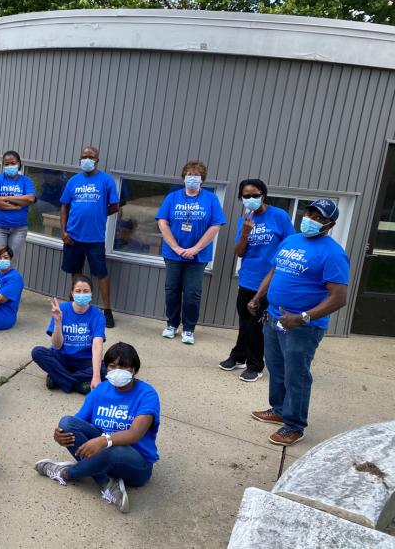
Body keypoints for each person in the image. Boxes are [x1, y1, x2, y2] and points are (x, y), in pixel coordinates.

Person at [248, 199, 349, 447]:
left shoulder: (333, 254)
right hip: (273, 317)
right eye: (309, 213)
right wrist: (258, 297)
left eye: (318, 217)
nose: (310, 219)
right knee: (276, 368)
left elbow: (339, 298)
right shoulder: (291, 240)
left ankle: (294, 426)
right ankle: (279, 410)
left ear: (329, 224)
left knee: (297, 376)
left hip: (303, 327)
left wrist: (302, 317)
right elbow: (274, 271)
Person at [34, 342, 160, 513]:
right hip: (103, 454)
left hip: (136, 465)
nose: (117, 371)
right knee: (66, 423)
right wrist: (60, 435)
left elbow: (135, 434)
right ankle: (105, 482)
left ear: (134, 370)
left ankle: (66, 473)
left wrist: (103, 440)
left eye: (123, 367)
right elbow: (76, 423)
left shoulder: (147, 394)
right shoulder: (100, 390)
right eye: (112, 366)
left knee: (113, 450)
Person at [219, 180, 295, 382]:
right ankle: (239, 356)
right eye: (246, 196)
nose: (251, 199)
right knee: (245, 322)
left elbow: (291, 244)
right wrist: (245, 232)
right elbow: (239, 252)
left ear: (263, 194)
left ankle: (255, 365)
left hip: (270, 280)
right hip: (248, 278)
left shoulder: (279, 216)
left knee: (256, 325)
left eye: (255, 194)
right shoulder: (244, 219)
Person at [156, 160, 226, 344]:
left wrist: (195, 249)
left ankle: (189, 328)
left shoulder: (211, 199)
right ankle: (172, 324)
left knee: (192, 293)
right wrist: (176, 248)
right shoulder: (172, 197)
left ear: (202, 179)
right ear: (184, 177)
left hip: (198, 256)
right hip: (173, 254)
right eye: (189, 175)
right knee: (172, 290)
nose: (192, 178)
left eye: (196, 175)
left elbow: (215, 225)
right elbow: (162, 222)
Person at [60, 146, 119, 328]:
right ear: (80, 159)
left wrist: (100, 213)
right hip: (73, 237)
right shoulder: (73, 181)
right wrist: (63, 232)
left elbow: (115, 206)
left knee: (101, 274)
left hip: (95, 239)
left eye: (91, 156)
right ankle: (76, 306)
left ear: (97, 160)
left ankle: (107, 311)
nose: (87, 159)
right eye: (84, 156)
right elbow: (64, 206)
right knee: (75, 272)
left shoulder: (106, 180)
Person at [31, 275, 106, 395]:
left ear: (91, 293)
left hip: (84, 360)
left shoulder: (98, 315)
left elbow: (97, 346)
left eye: (86, 291)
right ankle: (77, 385)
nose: (82, 294)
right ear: (72, 292)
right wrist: (58, 322)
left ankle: (58, 378)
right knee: (37, 352)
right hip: (62, 357)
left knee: (104, 369)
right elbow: (57, 345)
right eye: (78, 291)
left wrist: (96, 376)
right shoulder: (61, 309)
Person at [0, 150, 36, 264]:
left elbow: (30, 199)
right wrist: (15, 207)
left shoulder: (26, 181)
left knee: (10, 262)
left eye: (13, 163)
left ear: (19, 164)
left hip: (19, 229)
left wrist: (5, 198)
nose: (10, 166)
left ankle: (8, 278)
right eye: (6, 164)